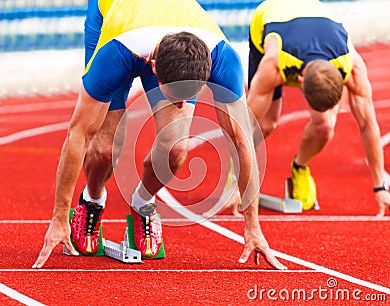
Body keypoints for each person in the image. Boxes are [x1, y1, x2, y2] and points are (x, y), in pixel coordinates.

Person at [32, 0, 287, 270]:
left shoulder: (223, 60)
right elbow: (77, 135)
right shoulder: (114, 54)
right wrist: (59, 218)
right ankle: (92, 200)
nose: (180, 106)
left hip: (170, 36)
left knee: (176, 149)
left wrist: (253, 226)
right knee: (105, 148)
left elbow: (242, 142)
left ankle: (142, 203)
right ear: (154, 71)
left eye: (188, 99)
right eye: (177, 98)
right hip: (115, 22)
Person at [228, 0, 390, 215]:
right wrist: (237, 182)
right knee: (266, 123)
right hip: (272, 17)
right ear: (300, 80)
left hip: (316, 15)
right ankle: (233, 175)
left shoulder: (353, 67)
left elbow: (368, 125)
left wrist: (380, 187)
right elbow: (244, 127)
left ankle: (300, 166)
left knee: (325, 127)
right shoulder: (274, 64)